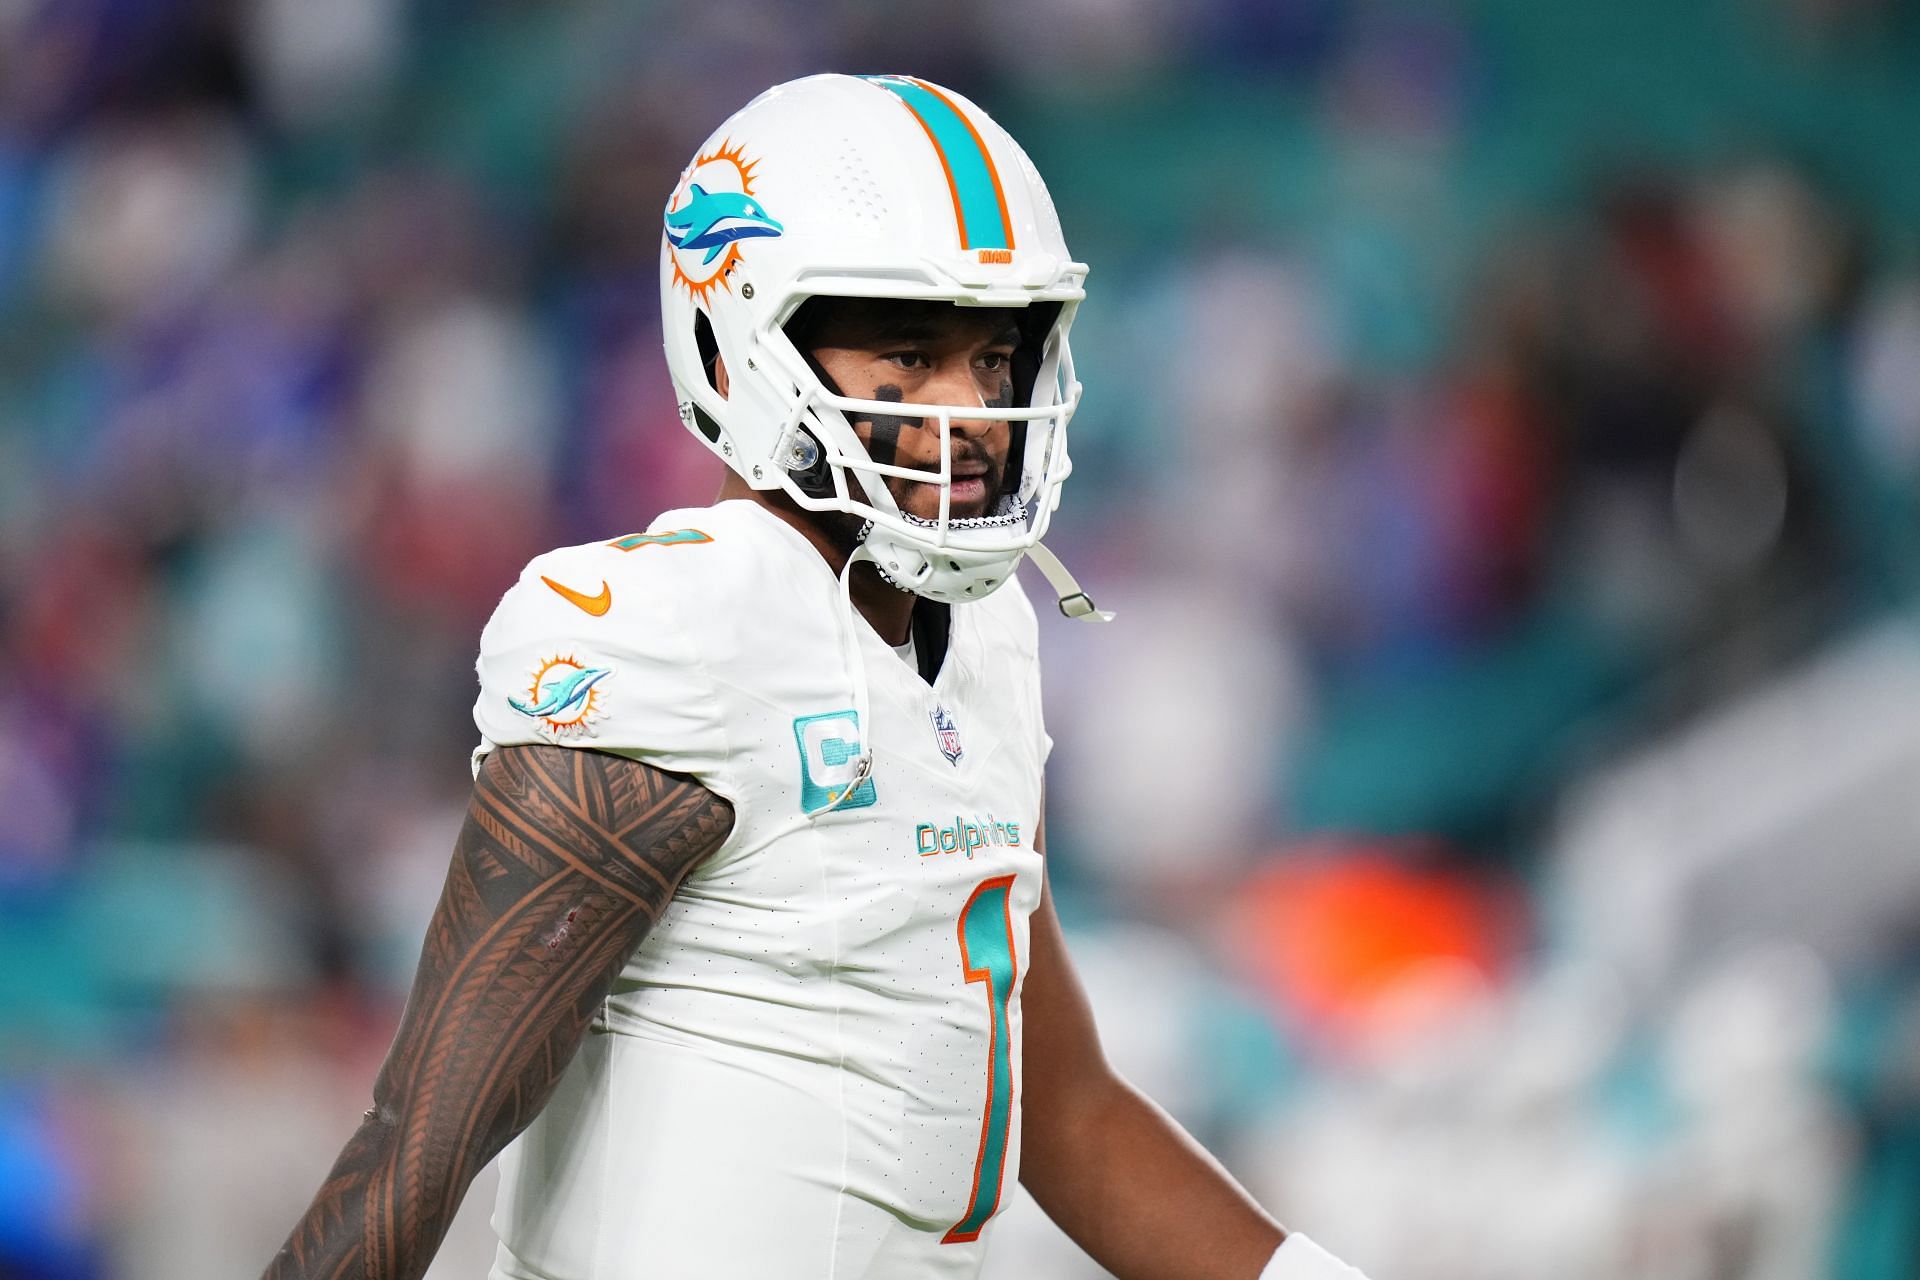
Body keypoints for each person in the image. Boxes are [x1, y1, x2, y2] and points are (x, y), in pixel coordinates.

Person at [266, 73, 1371, 1280]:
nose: (976, 409)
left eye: (993, 354)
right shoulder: (672, 627)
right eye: (909, 350)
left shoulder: (990, 632)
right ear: (739, 344)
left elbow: (1071, 1115)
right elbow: (427, 1133)